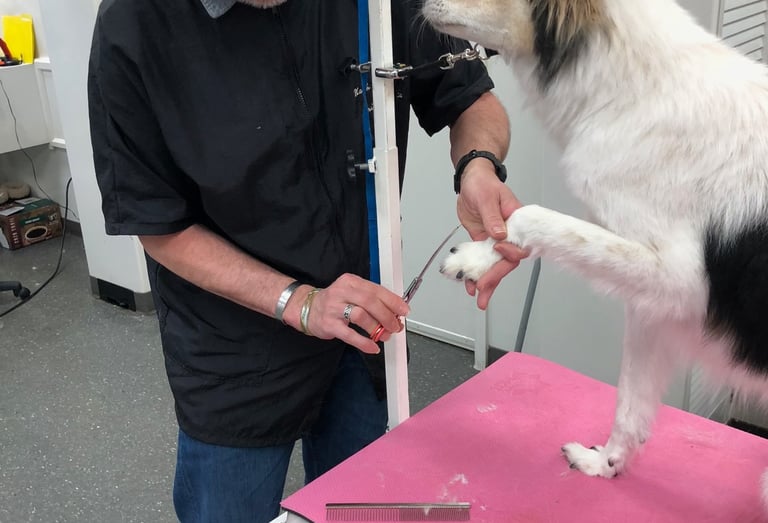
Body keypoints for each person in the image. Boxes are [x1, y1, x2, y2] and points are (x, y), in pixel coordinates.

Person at [88, 0, 527, 521]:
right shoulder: (132, 25)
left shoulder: (379, 6)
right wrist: (297, 302)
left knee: (360, 505)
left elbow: (470, 98)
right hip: (230, 349)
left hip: (364, 329)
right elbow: (156, 222)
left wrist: (478, 167)